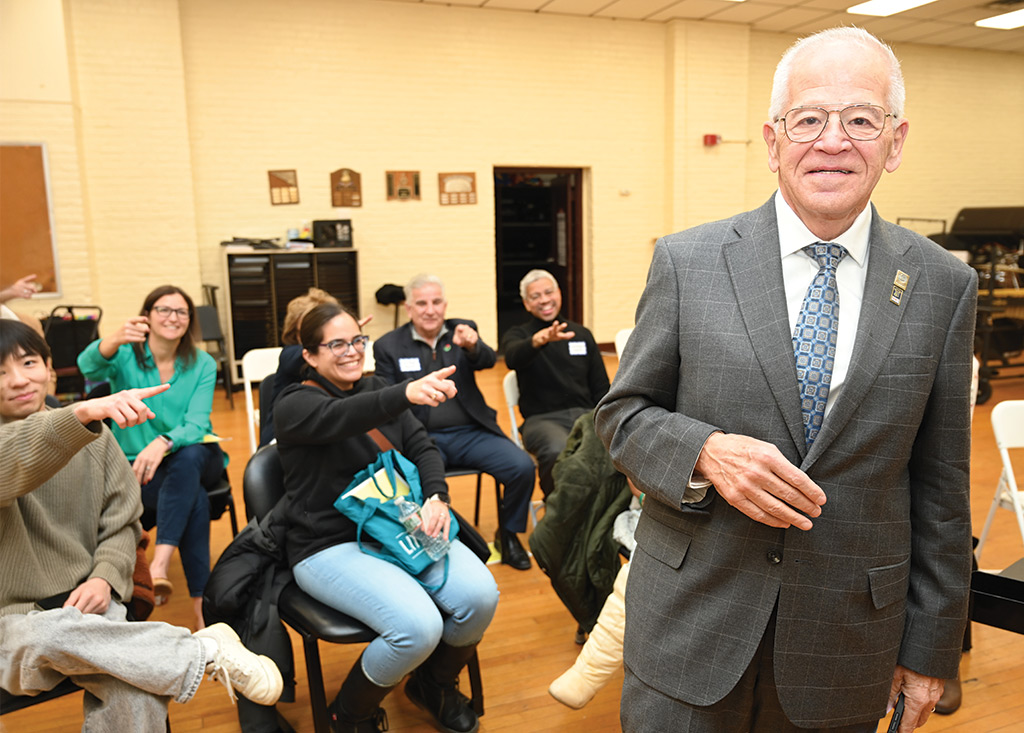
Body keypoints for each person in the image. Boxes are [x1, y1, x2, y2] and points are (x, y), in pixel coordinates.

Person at [595, 27, 976, 733]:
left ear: (894, 143)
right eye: (809, 119)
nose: (833, 141)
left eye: (861, 119)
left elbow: (943, 490)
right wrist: (706, 451)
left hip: (848, 641)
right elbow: (622, 418)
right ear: (773, 142)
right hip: (691, 624)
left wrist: (931, 650)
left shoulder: (943, 285)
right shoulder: (689, 261)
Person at [0, 319, 282, 732]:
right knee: (48, 634)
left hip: (91, 601)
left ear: (48, 365)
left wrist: (104, 579)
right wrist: (78, 414)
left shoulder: (96, 438)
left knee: (135, 688)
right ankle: (200, 649)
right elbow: (16, 460)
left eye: (28, 363)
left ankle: (187, 646)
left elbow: (123, 522)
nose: (18, 380)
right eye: (1, 371)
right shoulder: (80, 424)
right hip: (13, 616)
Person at [274, 302, 499, 733]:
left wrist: (437, 496)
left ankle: (431, 684)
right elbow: (341, 418)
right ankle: (349, 714)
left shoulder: (376, 387)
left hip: (398, 528)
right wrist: (404, 392)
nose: (351, 351)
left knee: (480, 597)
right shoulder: (295, 404)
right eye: (336, 344)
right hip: (328, 545)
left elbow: (423, 448)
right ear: (309, 355)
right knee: (417, 627)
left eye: (357, 340)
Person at [78, 285, 226, 630]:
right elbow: (87, 365)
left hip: (196, 453)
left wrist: (163, 441)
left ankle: (159, 564)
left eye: (181, 312)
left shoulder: (202, 362)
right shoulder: (126, 355)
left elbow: (197, 424)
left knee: (189, 457)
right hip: (138, 464)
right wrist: (113, 338)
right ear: (147, 316)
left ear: (190, 321)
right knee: (196, 501)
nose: (173, 317)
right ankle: (202, 608)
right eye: (164, 309)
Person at [374, 274, 536, 570]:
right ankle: (430, 542)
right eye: (421, 303)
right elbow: (386, 399)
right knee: (409, 482)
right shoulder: (388, 346)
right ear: (408, 308)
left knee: (521, 467)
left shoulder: (462, 330)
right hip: (421, 438)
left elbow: (487, 361)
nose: (430, 310)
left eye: (436, 302)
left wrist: (473, 346)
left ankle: (508, 534)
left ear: (445, 305)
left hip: (471, 433)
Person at [499, 270, 610, 498]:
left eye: (549, 292)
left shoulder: (581, 334)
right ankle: (559, 513)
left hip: (585, 416)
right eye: (535, 296)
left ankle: (602, 511)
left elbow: (601, 388)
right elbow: (512, 357)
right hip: (543, 420)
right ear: (527, 304)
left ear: (559, 294)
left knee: (613, 447)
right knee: (556, 451)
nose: (544, 300)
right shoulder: (518, 335)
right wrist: (538, 341)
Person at [260, 287, 372, 448]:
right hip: (284, 444)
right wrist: (340, 340)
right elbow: (308, 353)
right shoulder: (290, 354)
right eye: (311, 329)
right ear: (296, 333)